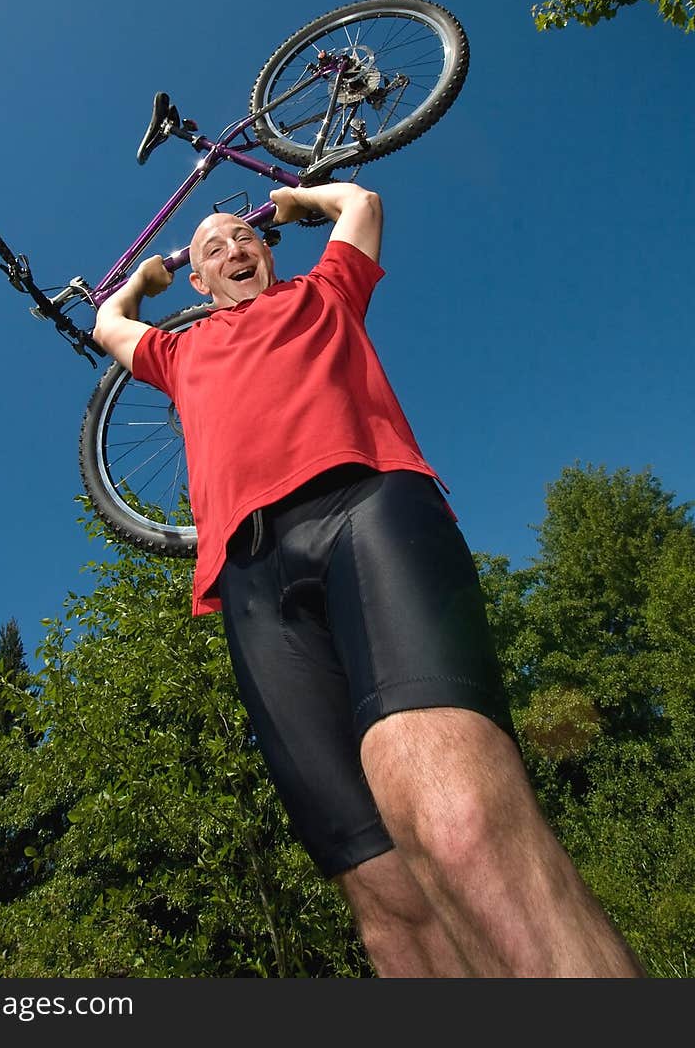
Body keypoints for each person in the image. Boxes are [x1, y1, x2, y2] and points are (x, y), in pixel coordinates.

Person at [92, 181, 643, 978]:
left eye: (242, 240)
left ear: (268, 256)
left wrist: (295, 199)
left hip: (366, 505)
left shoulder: (326, 293)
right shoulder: (178, 354)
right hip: (248, 579)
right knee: (386, 900)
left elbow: (363, 204)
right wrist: (145, 282)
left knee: (457, 825)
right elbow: (110, 323)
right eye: (212, 249)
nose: (232, 250)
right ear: (200, 285)